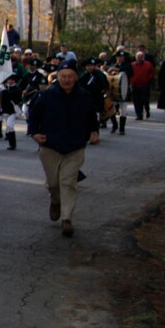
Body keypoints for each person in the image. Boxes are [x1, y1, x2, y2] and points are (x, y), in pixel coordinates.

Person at [28, 59, 100, 237]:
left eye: (70, 76)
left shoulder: (84, 96)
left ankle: (67, 218)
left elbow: (92, 117)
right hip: (50, 145)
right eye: (63, 76)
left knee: (68, 182)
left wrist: (94, 131)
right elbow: (33, 116)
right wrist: (34, 134)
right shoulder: (47, 95)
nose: (66, 80)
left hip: (75, 146)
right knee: (54, 183)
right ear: (58, 77)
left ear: (76, 78)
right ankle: (55, 200)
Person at [0, 74, 23, 150]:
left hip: (13, 110)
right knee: (8, 127)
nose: (9, 81)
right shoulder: (6, 88)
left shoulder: (16, 88)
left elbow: (12, 97)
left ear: (14, 80)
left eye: (10, 80)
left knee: (10, 125)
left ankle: (13, 144)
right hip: (5, 110)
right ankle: (11, 143)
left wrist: (4, 90)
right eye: (8, 80)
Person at [107, 54, 131, 134]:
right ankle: (114, 124)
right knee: (111, 109)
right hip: (113, 91)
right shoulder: (112, 65)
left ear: (124, 57)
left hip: (124, 90)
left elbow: (130, 73)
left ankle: (122, 128)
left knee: (123, 110)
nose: (120, 58)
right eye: (118, 57)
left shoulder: (128, 65)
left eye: (121, 57)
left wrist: (117, 69)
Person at [130, 51, 156, 120]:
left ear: (143, 58)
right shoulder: (132, 65)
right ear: (136, 58)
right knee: (136, 101)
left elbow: (152, 73)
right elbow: (129, 74)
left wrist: (148, 78)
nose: (139, 59)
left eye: (141, 57)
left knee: (145, 100)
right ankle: (139, 115)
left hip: (144, 85)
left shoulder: (148, 64)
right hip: (135, 85)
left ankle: (147, 110)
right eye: (138, 57)